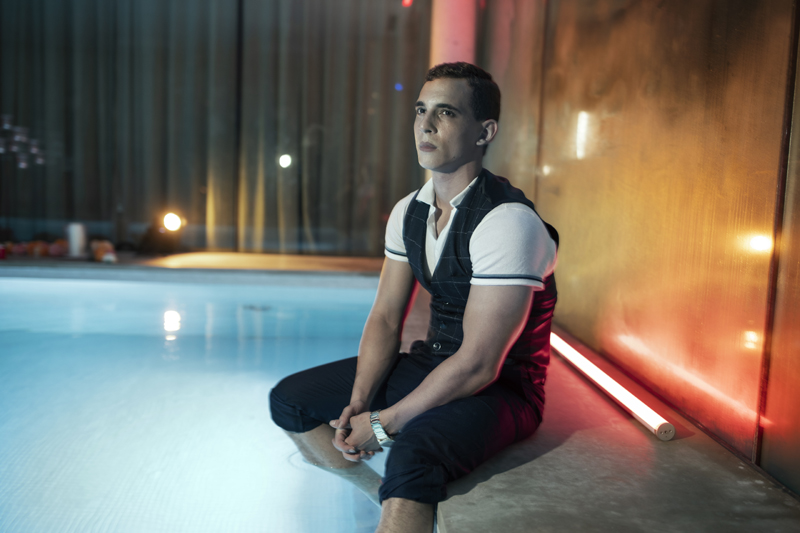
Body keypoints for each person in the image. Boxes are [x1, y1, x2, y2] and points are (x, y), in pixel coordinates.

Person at [270, 62, 558, 533]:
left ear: (484, 132)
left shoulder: (508, 222)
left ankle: (402, 501)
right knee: (290, 401)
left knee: (413, 452)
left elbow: (480, 364)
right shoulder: (409, 211)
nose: (425, 125)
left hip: (504, 390)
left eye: (446, 113)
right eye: (421, 110)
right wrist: (359, 401)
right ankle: (379, 499)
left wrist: (383, 424)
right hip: (434, 362)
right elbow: (386, 318)